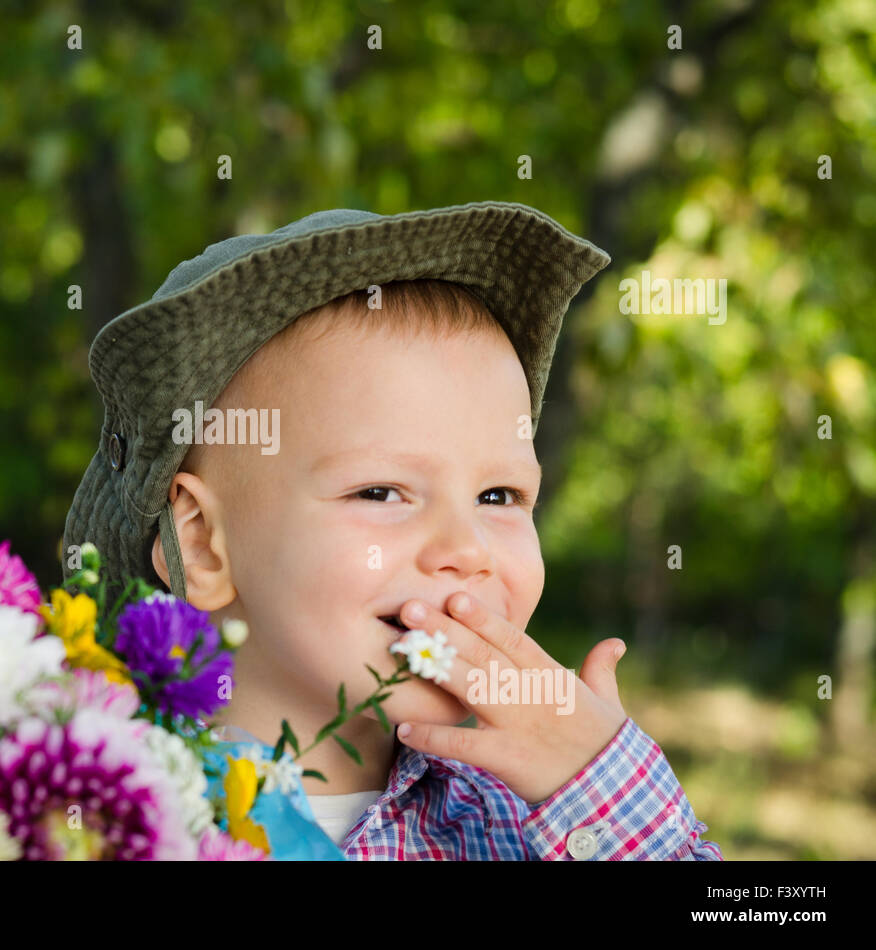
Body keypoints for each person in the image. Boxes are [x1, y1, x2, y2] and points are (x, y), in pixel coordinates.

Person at [63, 202, 722, 860]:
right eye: (380, 492)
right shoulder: (92, 804)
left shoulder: (543, 827)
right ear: (203, 543)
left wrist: (596, 791)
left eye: (500, 495)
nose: (467, 551)